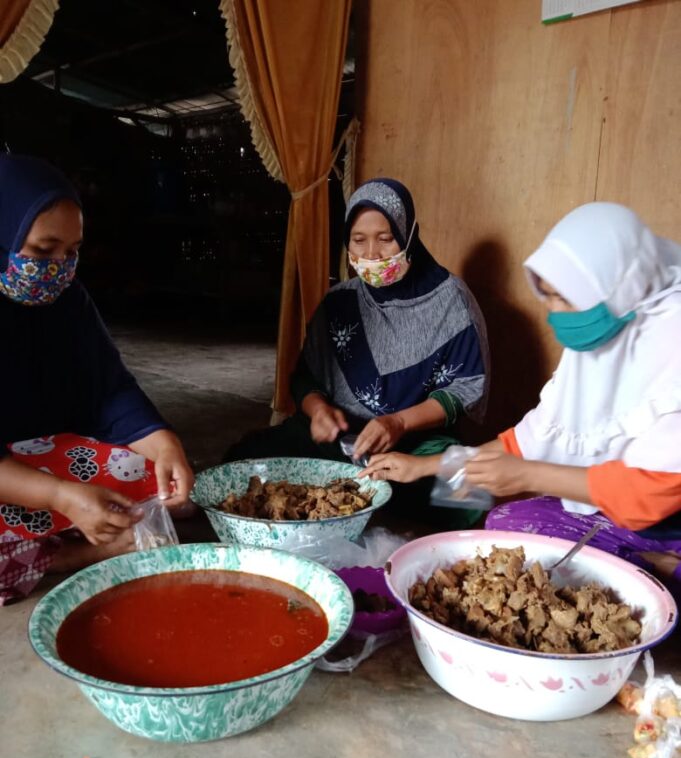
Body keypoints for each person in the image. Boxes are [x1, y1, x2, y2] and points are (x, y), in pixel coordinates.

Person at [362, 202, 681, 597]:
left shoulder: (672, 343)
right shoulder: (606, 328)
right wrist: (422, 466)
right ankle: (644, 566)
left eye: (565, 298)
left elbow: (648, 495)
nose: (555, 315)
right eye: (548, 297)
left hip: (662, 516)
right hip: (613, 510)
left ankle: (660, 567)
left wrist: (527, 475)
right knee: (504, 522)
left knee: (580, 579)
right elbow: (529, 439)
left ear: (615, 284)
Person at [226, 178, 489, 519]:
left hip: (415, 441)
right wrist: (319, 409)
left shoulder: (451, 300)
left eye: (385, 239)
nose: (371, 255)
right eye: (358, 241)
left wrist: (398, 422)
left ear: (409, 235)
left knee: (467, 489)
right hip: (339, 440)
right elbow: (306, 377)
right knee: (245, 459)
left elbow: (462, 390)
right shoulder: (340, 303)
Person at [0, 154, 194, 604]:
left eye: (72, 252)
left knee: (152, 474)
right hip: (15, 477)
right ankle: (70, 555)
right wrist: (61, 496)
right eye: (43, 251)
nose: (59, 267)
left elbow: (109, 389)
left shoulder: (68, 299)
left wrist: (166, 444)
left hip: (40, 455)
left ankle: (57, 536)